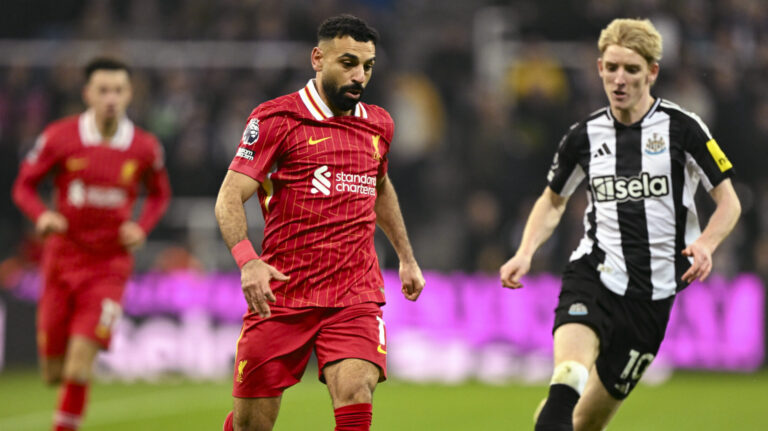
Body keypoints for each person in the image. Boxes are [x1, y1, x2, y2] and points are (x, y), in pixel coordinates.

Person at [499, 18, 741, 431]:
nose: (619, 78)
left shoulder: (682, 128)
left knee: (585, 422)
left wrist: (707, 243)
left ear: (652, 72)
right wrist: (525, 251)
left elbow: (729, 201)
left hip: (652, 296)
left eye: (631, 69)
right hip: (594, 271)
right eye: (611, 67)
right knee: (568, 378)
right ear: (599, 69)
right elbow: (552, 200)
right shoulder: (584, 135)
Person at [214, 14, 425, 431]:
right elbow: (227, 198)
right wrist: (248, 261)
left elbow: (379, 188)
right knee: (250, 425)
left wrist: (406, 256)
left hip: (353, 293)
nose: (359, 75)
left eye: (367, 66)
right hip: (282, 293)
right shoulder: (277, 120)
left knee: (356, 392)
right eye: (348, 63)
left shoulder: (378, 124)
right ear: (317, 58)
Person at [11, 57, 171, 431]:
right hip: (61, 261)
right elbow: (24, 185)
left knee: (79, 364)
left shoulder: (145, 147)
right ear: (88, 94)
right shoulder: (59, 137)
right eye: (103, 90)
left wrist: (141, 226)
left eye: (118, 90)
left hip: (109, 266)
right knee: (54, 372)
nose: (111, 98)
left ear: (129, 94)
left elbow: (160, 195)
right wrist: (43, 216)